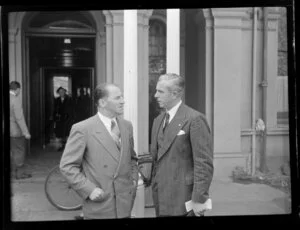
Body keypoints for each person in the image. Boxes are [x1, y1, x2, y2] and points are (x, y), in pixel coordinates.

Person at [59, 83, 139, 219]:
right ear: (102, 102)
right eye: (117, 98)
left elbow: (131, 158)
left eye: (122, 97)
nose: (123, 101)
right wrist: (89, 189)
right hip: (101, 204)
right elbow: (67, 166)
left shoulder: (127, 126)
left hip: (125, 202)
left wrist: (133, 181)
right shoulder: (83, 128)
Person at [150, 73, 214, 217]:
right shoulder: (158, 120)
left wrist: (199, 199)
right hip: (160, 196)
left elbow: (203, 163)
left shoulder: (195, 119)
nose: (155, 95)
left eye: (160, 91)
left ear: (175, 94)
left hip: (183, 199)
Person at [10, 81, 32, 180]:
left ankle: (13, 173)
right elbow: (19, 118)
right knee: (19, 150)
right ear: (17, 89)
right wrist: (25, 132)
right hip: (15, 131)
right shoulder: (15, 100)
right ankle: (20, 174)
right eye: (20, 89)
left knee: (13, 151)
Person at [53, 87, 75, 151]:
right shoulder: (57, 100)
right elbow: (55, 109)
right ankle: (61, 146)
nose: (61, 93)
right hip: (60, 119)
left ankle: (68, 147)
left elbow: (72, 109)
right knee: (60, 133)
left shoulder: (69, 99)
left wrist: (72, 118)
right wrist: (54, 117)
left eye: (62, 91)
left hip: (68, 118)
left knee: (67, 132)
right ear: (58, 93)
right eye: (60, 92)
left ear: (65, 92)